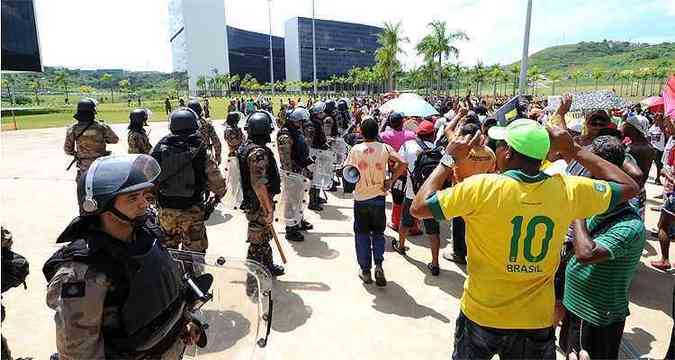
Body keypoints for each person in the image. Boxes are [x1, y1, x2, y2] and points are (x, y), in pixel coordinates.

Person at [411, 119, 639, 359]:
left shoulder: (480, 188)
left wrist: (448, 159)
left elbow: (419, 207)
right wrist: (573, 149)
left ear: (508, 152)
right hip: (535, 318)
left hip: (482, 312)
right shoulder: (568, 189)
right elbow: (629, 186)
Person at [44, 154, 206, 359]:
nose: (144, 204)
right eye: (132, 198)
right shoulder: (82, 273)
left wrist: (185, 321)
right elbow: (79, 352)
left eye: (144, 195)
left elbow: (165, 288)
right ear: (102, 206)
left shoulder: (146, 234)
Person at [559, 135, 646, 360]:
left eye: (588, 168)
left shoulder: (629, 225)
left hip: (596, 317)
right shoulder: (601, 205)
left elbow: (586, 253)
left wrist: (578, 207)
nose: (583, 173)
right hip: (576, 307)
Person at [151, 109, 227, 253]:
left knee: (168, 253)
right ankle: (195, 275)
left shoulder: (159, 150)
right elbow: (220, 186)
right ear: (194, 126)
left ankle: (173, 275)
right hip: (192, 213)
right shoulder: (201, 151)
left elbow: (149, 180)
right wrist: (213, 200)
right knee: (195, 255)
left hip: (166, 214)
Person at [345, 117, 408, 287]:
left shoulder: (355, 149)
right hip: (379, 198)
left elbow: (347, 172)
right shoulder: (385, 148)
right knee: (378, 234)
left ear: (361, 132)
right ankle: (379, 265)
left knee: (362, 234)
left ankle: (365, 271)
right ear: (377, 132)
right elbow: (403, 163)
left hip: (361, 200)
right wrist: (391, 180)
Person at [237, 111, 285, 276]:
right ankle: (254, 274)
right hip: (258, 202)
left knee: (264, 235)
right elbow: (259, 183)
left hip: (256, 201)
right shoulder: (258, 153)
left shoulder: (247, 148)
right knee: (257, 238)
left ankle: (267, 266)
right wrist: (268, 207)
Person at [392, 120, 442, 275]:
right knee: (433, 230)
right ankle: (435, 263)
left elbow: (399, 166)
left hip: (412, 193)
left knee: (405, 221)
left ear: (417, 134)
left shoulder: (408, 146)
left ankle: (401, 246)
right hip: (432, 195)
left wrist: (394, 179)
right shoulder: (439, 150)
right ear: (432, 134)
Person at [443, 121, 496, 265]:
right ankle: (473, 255)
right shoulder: (490, 153)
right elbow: (491, 173)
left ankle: (459, 254)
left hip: (462, 193)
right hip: (482, 195)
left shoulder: (461, 152)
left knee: (459, 226)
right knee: (476, 228)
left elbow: (448, 130)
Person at [64, 98, 119, 211]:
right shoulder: (102, 127)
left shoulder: (73, 129)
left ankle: (84, 214)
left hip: (84, 168)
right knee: (103, 192)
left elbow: (68, 150)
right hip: (101, 167)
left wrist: (79, 154)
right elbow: (114, 140)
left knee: (83, 194)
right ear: (93, 112)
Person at [277, 107, 315, 242]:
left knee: (299, 198)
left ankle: (298, 220)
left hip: (298, 170)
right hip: (291, 173)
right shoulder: (285, 136)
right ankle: (290, 229)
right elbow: (285, 158)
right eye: (302, 121)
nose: (303, 124)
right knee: (290, 200)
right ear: (297, 121)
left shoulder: (295, 131)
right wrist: (290, 176)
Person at [380, 112, 416, 231]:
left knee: (397, 198)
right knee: (412, 197)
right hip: (410, 171)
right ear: (402, 122)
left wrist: (385, 121)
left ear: (390, 123)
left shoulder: (385, 135)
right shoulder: (411, 135)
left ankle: (395, 222)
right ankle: (414, 225)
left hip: (395, 171)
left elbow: (378, 135)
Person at [622, 114, 655, 220]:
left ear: (635, 129)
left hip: (631, 191)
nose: (624, 126)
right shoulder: (646, 146)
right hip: (639, 190)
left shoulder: (635, 149)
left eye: (627, 125)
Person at [306, 101, 330, 211]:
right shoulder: (314, 123)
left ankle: (316, 198)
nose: (323, 113)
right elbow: (316, 140)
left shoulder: (314, 121)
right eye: (321, 112)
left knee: (318, 176)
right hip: (316, 152)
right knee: (315, 177)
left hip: (316, 151)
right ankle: (312, 202)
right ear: (317, 113)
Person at [188, 100, 223, 165]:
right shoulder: (207, 123)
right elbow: (216, 141)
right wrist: (218, 156)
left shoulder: (184, 124)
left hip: (189, 157)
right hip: (206, 155)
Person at [649, 113, 666, 185]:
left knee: (658, 165)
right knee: (649, 163)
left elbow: (665, 132)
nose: (656, 119)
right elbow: (649, 136)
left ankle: (658, 178)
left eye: (658, 118)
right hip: (653, 148)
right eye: (655, 118)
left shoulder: (662, 127)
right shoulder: (652, 127)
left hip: (660, 149)